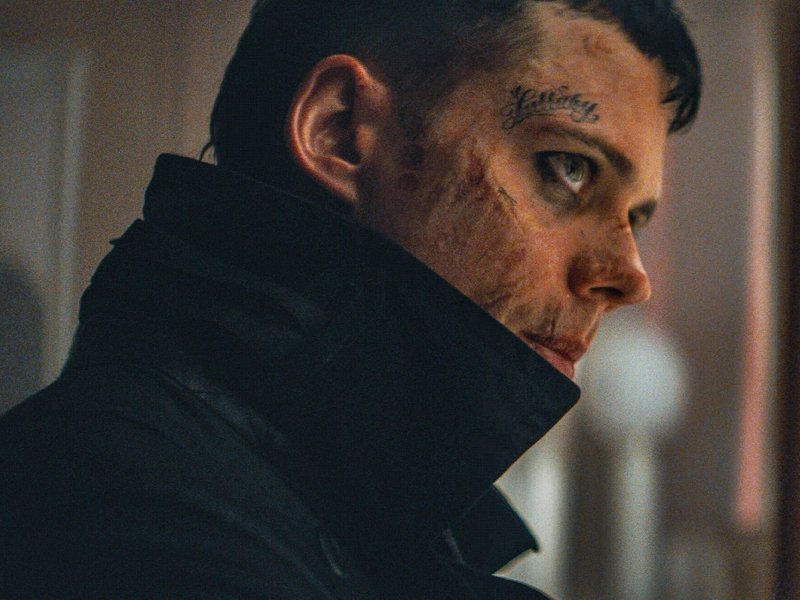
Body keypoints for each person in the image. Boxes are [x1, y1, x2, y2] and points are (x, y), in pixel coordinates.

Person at [0, 1, 700, 598]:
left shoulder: (341, 514)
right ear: (337, 129)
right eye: (569, 167)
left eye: (635, 219)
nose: (630, 276)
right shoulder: (119, 516)